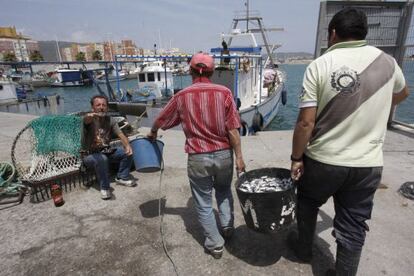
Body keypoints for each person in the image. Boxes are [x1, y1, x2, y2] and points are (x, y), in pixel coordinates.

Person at [289, 8, 409, 275]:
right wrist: (374, 108)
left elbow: (306, 122)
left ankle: (303, 248)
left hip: (323, 161)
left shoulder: (319, 65)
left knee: (307, 202)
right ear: (363, 33)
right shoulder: (388, 62)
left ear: (333, 33)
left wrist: (297, 158)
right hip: (367, 164)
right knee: (354, 224)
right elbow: (402, 93)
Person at [147, 52, 246, 259]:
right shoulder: (224, 93)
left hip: (198, 157)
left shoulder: (182, 96)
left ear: (191, 71)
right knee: (224, 191)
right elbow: (233, 130)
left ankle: (215, 243)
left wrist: (153, 132)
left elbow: (162, 119)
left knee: (202, 202)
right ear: (211, 71)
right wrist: (238, 157)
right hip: (224, 156)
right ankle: (227, 228)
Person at [83, 95, 136, 200]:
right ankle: (105, 188)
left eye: (104, 105)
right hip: (89, 155)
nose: (101, 107)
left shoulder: (110, 120)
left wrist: (127, 145)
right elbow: (86, 120)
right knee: (102, 159)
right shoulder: (89, 120)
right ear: (92, 107)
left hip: (106, 151)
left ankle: (122, 177)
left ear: (107, 107)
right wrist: (89, 116)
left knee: (127, 152)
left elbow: (121, 135)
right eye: (98, 105)